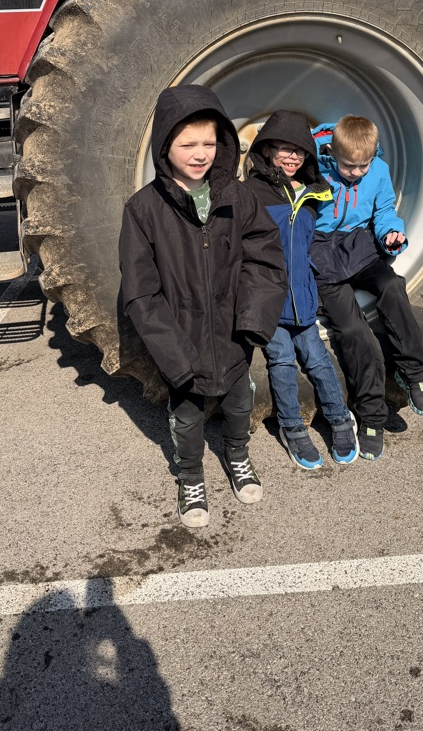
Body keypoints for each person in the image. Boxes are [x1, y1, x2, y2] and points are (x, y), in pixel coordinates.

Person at [119, 85, 287, 527]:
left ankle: (238, 456)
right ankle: (190, 475)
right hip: (183, 342)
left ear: (224, 142)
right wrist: (173, 355)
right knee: (188, 417)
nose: (200, 154)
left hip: (232, 335)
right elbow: (140, 291)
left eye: (209, 143)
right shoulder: (144, 210)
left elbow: (265, 258)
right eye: (187, 144)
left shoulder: (239, 197)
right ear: (164, 147)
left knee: (239, 402)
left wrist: (252, 322)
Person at [310, 116, 423, 462]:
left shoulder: (377, 171)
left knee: (393, 287)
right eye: (349, 166)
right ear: (332, 154)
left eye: (362, 165)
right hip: (321, 250)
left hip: (359, 244)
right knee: (353, 330)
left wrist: (391, 235)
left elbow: (384, 211)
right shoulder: (315, 170)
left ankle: (413, 373)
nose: (356, 173)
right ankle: (370, 415)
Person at [244, 110, 359, 470]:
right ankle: (292, 428)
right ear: (266, 150)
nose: (292, 157)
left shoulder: (314, 193)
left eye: (299, 151)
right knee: (280, 361)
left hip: (304, 298)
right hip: (270, 299)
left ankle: (340, 419)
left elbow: (321, 240)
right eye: (283, 149)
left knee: (318, 360)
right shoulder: (252, 193)